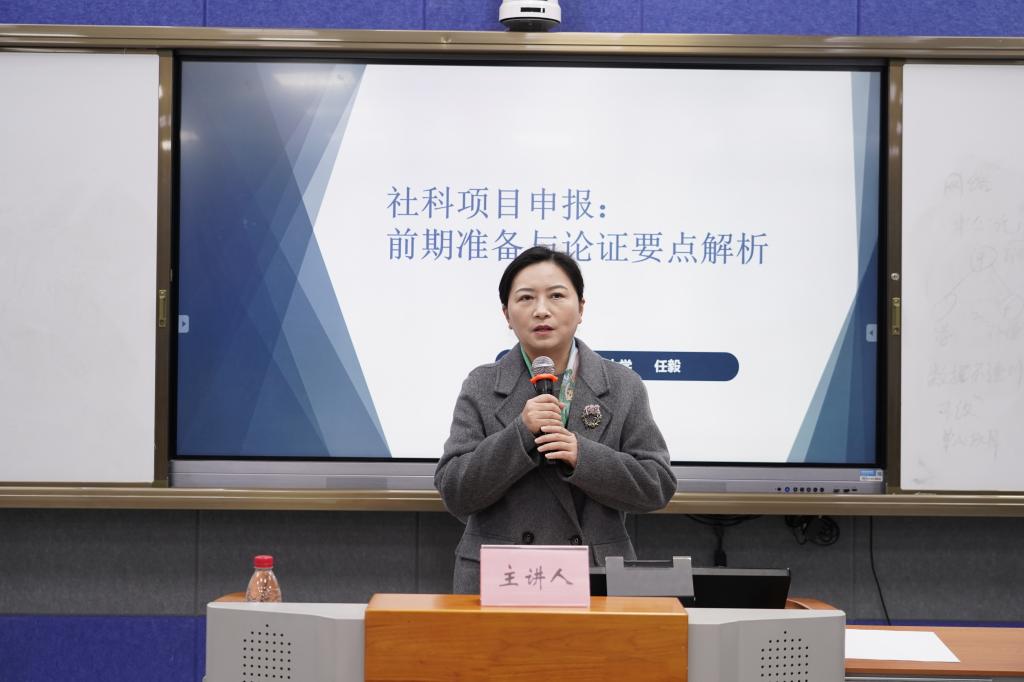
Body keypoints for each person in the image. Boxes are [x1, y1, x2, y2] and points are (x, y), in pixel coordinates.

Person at [435, 246, 677, 594]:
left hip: (593, 575)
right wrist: (519, 434)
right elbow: (455, 491)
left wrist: (583, 456)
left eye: (557, 295)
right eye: (526, 298)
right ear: (506, 314)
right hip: (501, 578)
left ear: (581, 308)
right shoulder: (482, 385)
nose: (541, 310)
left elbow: (657, 485)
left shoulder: (623, 385)